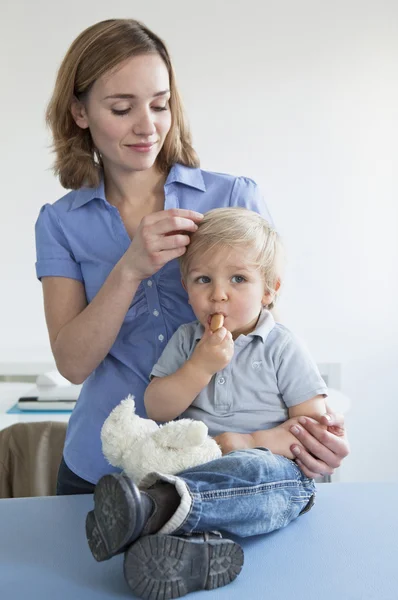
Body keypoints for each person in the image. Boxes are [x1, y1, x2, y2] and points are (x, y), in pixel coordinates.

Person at [35, 11, 348, 559]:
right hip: (103, 474)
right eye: (121, 107)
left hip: (223, 467)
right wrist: (130, 267)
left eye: (160, 104)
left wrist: (310, 430)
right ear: (79, 111)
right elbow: (73, 364)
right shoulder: (61, 222)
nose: (147, 126)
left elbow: (265, 335)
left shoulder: (233, 196)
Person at [86, 207, 336, 599]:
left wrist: (248, 441)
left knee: (259, 478)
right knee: (167, 470)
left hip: (272, 472)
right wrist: (200, 366)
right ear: (187, 289)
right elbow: (158, 408)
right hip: (196, 466)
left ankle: (153, 511)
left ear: (269, 290)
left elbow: (310, 430)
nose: (218, 293)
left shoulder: (281, 346)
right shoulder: (188, 341)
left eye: (238, 279)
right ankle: (193, 553)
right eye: (204, 279)